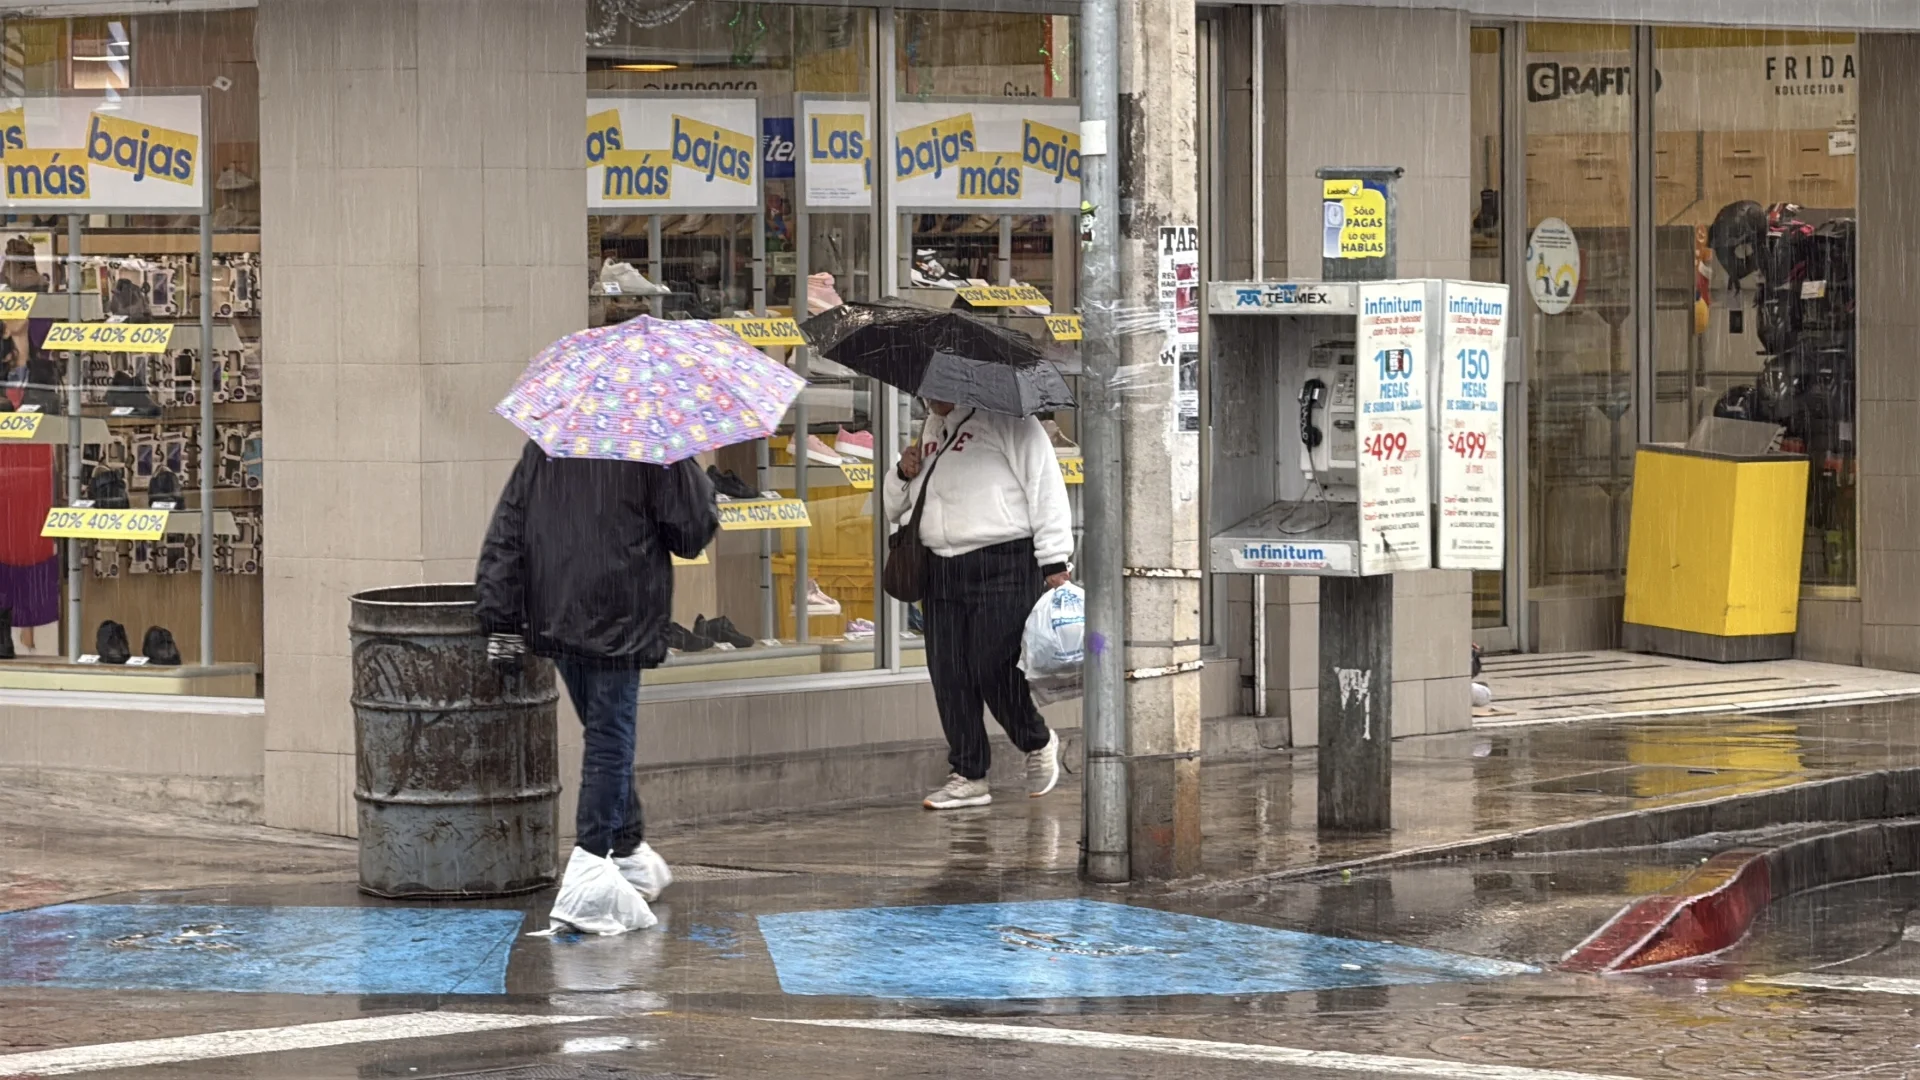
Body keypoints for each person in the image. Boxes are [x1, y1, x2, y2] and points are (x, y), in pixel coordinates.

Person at [475, 440, 719, 921]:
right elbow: (690, 532)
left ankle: (628, 850)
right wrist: (692, 472)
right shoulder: (653, 447)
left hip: (557, 608)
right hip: (618, 612)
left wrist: (499, 613)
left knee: (603, 733)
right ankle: (590, 865)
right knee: (610, 740)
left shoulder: (551, 444)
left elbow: (509, 525)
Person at [884, 400, 1074, 810]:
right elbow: (894, 507)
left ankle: (1035, 740)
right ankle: (968, 773)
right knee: (949, 673)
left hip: (1004, 560)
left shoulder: (1013, 422)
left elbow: (1045, 488)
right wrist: (902, 473)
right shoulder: (933, 427)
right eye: (925, 391)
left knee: (993, 666)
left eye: (938, 388)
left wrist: (1055, 559)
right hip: (940, 565)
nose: (930, 398)